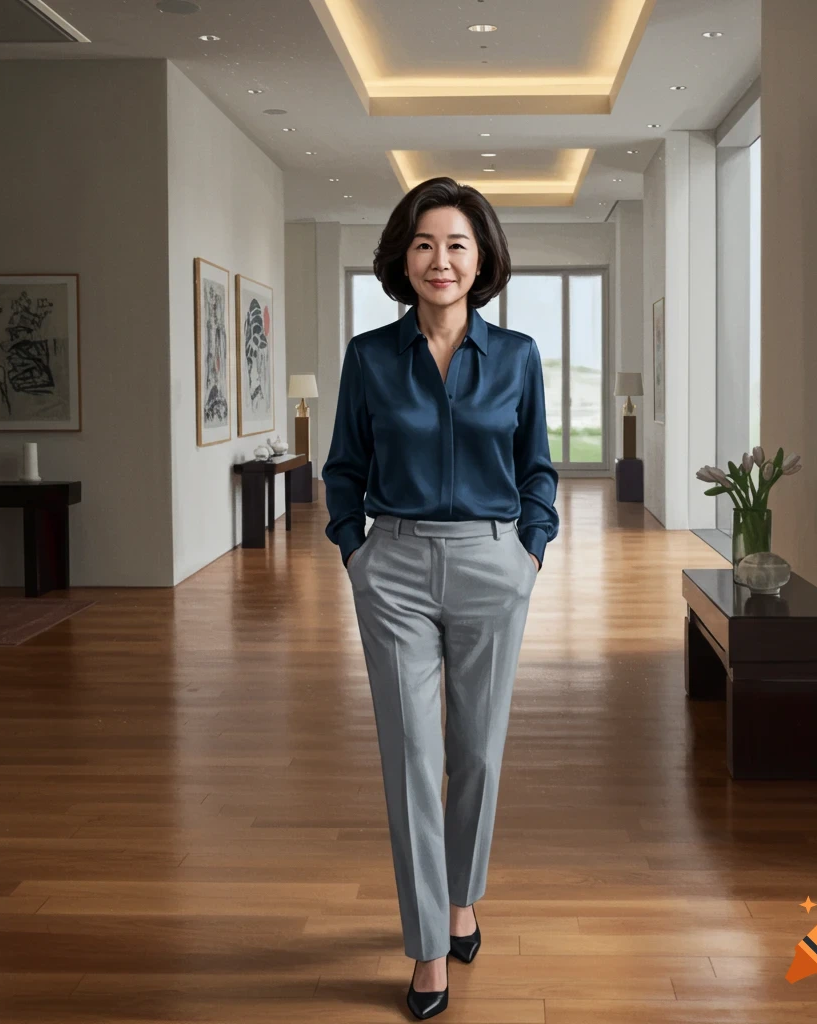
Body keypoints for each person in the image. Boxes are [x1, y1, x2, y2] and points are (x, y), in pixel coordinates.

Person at [321, 176, 559, 1019]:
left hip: (497, 566)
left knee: (479, 753)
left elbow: (539, 470)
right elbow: (343, 467)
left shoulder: (520, 356)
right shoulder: (369, 357)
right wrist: (355, 551)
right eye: (425, 244)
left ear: (483, 257)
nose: (441, 260)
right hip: (394, 568)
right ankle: (428, 947)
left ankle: (463, 896)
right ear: (403, 256)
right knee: (414, 759)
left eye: (457, 244)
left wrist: (531, 549)